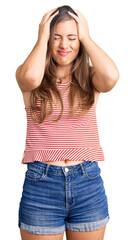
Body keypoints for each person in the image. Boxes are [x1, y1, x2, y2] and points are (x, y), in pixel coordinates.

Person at [16, 5, 119, 240]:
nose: (64, 45)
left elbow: (112, 77)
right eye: (57, 37)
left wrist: (87, 37)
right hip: (41, 183)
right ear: (47, 39)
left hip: (87, 182)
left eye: (72, 37)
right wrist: (42, 37)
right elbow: (32, 76)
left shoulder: (91, 78)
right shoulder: (28, 76)